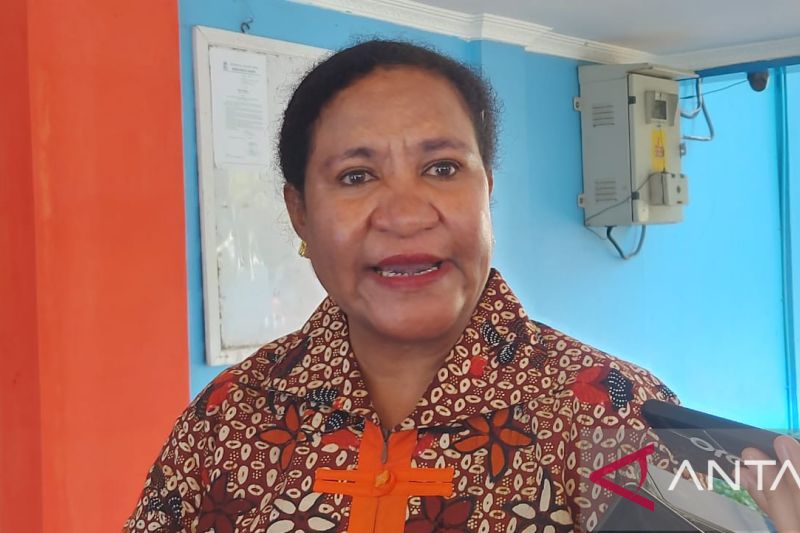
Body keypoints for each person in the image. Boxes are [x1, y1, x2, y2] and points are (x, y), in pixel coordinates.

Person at [125, 39, 800, 532]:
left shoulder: (612, 412)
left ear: (487, 191)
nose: (406, 214)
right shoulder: (227, 419)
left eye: (443, 168)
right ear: (299, 211)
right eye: (357, 176)